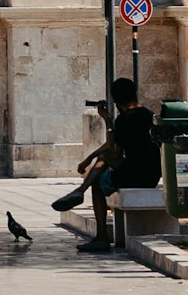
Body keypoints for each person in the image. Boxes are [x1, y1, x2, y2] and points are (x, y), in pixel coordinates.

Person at [59, 77, 163, 254]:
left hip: (135, 174)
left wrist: (107, 122)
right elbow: (112, 147)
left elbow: (113, 152)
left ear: (115, 101)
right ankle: (79, 191)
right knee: (103, 160)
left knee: (98, 183)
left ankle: (101, 236)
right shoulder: (148, 115)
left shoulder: (124, 120)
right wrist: (88, 159)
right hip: (152, 173)